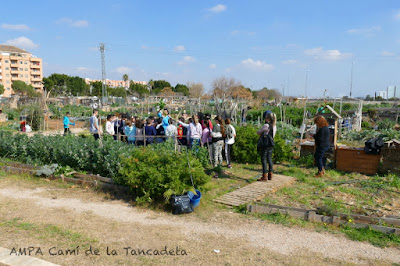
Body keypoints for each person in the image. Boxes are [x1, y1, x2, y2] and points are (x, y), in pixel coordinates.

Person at [256, 111, 277, 181]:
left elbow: (258, 132)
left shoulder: (266, 125)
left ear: (268, 119)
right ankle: (270, 174)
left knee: (264, 159)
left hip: (265, 145)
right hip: (271, 144)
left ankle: (264, 175)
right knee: (269, 159)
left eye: (266, 118)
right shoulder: (274, 126)